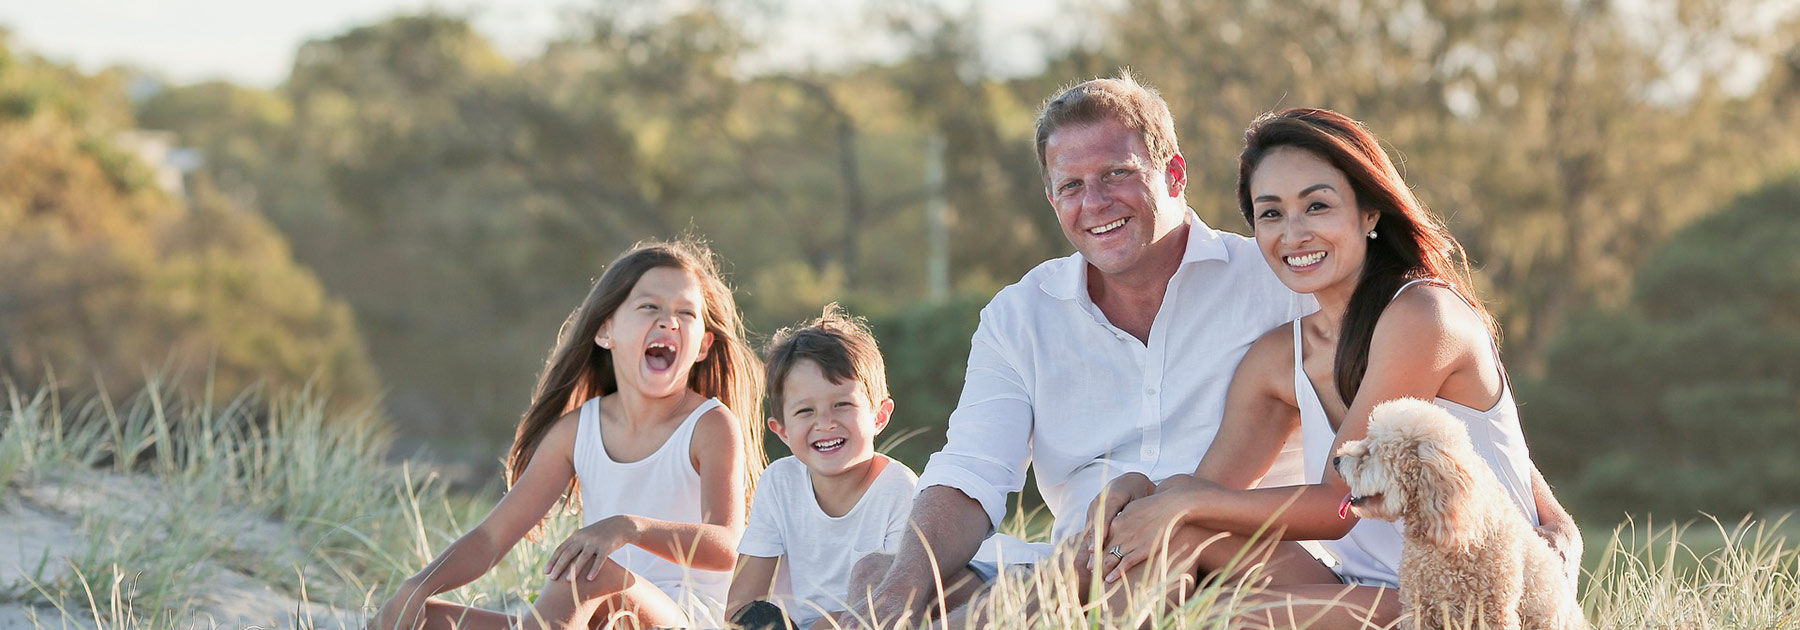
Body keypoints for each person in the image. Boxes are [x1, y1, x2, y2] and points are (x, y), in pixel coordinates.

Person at [1091, 108, 1584, 628]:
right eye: (1271, 214)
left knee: (1226, 616)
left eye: (1317, 206)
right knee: (1180, 537)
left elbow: (1339, 506)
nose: (1294, 234)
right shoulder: (1279, 359)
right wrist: (1148, 491)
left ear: (1369, 213)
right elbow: (1210, 494)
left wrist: (1182, 503)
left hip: (1466, 604)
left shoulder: (1422, 315)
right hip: (1363, 591)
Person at [856, 72, 1317, 627]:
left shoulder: (1278, 282)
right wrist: (900, 593)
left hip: (1230, 554)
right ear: (1052, 198)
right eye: (1071, 186)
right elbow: (972, 471)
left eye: (1116, 174)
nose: (1094, 202)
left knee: (1149, 571)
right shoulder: (1020, 315)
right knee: (877, 576)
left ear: (1174, 174)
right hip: (1078, 567)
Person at [368, 239, 765, 630]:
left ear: (702, 346)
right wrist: (416, 587)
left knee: (583, 574)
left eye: (686, 313)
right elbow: (490, 539)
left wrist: (628, 527)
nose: (669, 321)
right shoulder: (577, 431)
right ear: (605, 331)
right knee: (408, 618)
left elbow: (727, 546)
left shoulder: (710, 425)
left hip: (685, 618)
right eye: (649, 307)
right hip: (595, 618)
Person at [726, 304, 973, 630]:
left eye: (842, 405)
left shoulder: (899, 490)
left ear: (879, 416)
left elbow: (893, 599)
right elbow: (741, 603)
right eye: (805, 412)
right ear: (782, 431)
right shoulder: (780, 482)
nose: (825, 423)